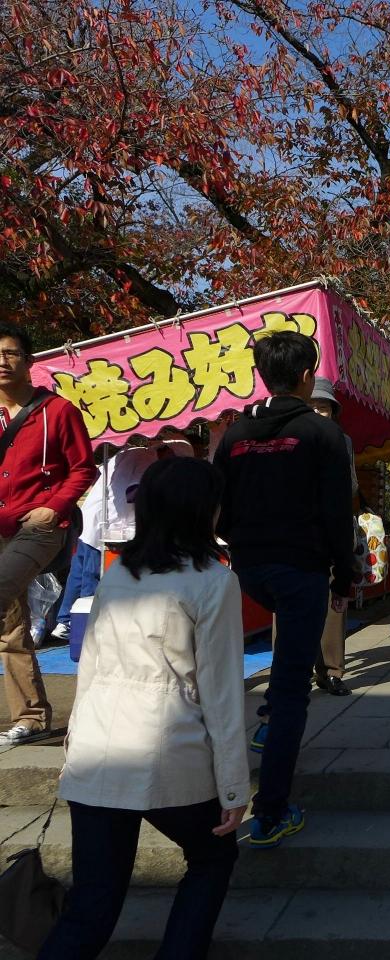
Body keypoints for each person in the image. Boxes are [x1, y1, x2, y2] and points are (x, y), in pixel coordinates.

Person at [40, 457, 247, 960]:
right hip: (166, 747)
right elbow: (220, 692)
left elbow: (89, 666)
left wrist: (75, 746)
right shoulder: (214, 581)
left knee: (93, 904)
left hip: (97, 748)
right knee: (213, 855)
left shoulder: (118, 574)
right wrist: (235, 783)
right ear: (206, 511)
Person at [213, 331, 356, 848]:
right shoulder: (321, 436)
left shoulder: (234, 436)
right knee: (295, 681)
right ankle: (271, 809)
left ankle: (269, 720)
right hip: (302, 570)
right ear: (305, 377)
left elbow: (221, 510)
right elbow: (337, 512)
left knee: (281, 664)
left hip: (249, 569)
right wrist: (345, 572)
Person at [0, 324, 97, 745]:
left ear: (30, 361)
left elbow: (83, 469)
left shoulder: (57, 411)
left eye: (11, 353)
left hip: (38, 526)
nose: (2, 362)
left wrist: (54, 506)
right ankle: (31, 717)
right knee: (10, 622)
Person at [51, 433, 192, 642]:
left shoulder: (130, 453)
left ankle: (65, 621)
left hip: (93, 519)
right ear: (169, 452)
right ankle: (86, 628)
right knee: (92, 576)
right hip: (105, 524)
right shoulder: (145, 459)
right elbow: (133, 493)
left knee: (78, 574)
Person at [307, 376, 358, 696]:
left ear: (333, 411)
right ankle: (294, 668)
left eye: (323, 408)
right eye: (311, 407)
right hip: (294, 531)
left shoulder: (342, 440)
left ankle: (332, 670)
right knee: (288, 603)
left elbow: (351, 484)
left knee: (333, 602)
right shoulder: (287, 436)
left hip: (330, 529)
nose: (317, 413)